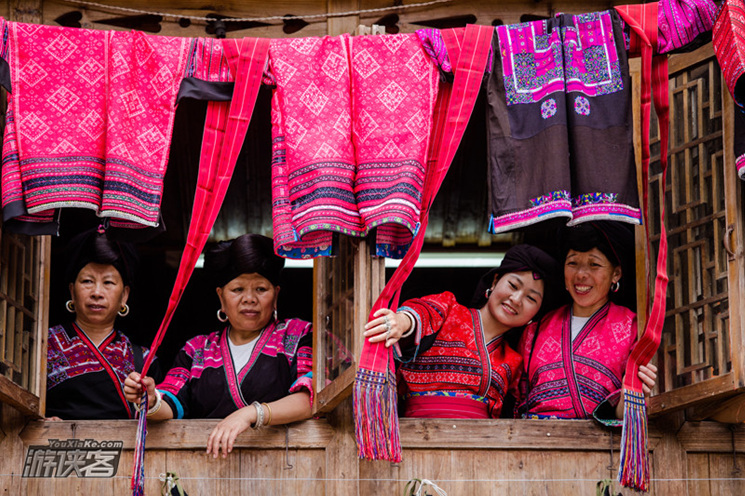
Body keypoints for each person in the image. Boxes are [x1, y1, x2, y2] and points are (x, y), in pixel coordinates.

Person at [124, 233, 313, 458]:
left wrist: (250, 414)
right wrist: (150, 398)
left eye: (261, 289)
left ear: (276, 295)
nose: (250, 298)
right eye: (237, 290)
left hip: (289, 468)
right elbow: (172, 404)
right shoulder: (197, 350)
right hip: (209, 469)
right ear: (221, 297)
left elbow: (310, 399)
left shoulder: (299, 334)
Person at [363, 244, 557, 419]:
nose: (516, 299)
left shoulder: (514, 361)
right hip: (418, 441)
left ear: (537, 312)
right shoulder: (449, 309)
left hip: (477, 449)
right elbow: (422, 314)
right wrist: (401, 322)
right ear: (495, 281)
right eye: (513, 285)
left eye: (531, 299)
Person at [517, 222, 657, 421]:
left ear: (615, 274)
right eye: (573, 263)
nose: (581, 274)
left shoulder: (632, 327)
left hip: (599, 445)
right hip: (535, 442)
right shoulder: (535, 330)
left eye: (594, 264)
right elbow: (517, 403)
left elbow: (623, 414)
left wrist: (629, 398)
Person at [46, 228, 159, 420]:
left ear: (124, 296)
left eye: (108, 283)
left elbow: (161, 419)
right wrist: (38, 422)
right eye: (87, 281)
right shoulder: (44, 345)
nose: (97, 292)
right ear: (72, 292)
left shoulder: (143, 360)